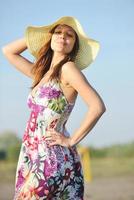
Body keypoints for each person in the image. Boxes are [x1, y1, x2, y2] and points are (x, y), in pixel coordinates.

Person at [2, 16, 106, 200]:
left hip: (51, 159)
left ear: (74, 45)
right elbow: (8, 51)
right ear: (50, 38)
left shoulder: (68, 69)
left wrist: (71, 140)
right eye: (57, 32)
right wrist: (41, 35)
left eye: (69, 35)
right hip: (32, 154)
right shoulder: (41, 73)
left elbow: (97, 106)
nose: (62, 37)